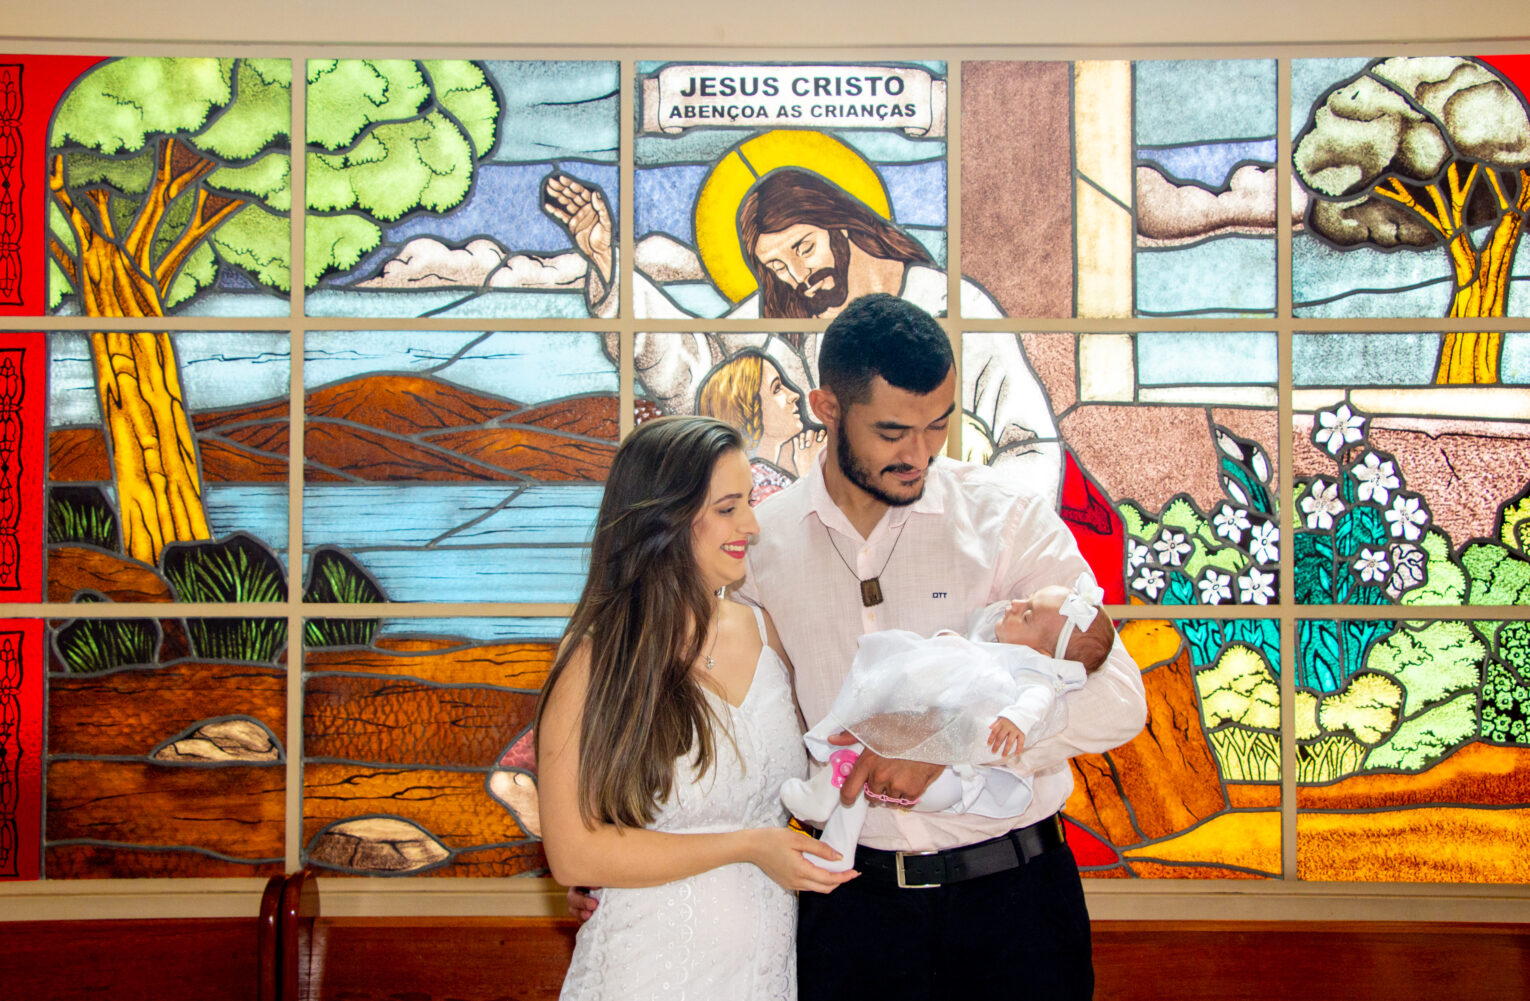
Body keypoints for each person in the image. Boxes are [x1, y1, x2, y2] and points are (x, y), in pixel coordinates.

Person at [570, 293, 1147, 1000]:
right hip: (850, 913)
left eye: (940, 424)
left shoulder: (1006, 517)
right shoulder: (758, 544)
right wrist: (622, 860)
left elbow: (1120, 697)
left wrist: (950, 744)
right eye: (894, 431)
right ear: (827, 406)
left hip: (1017, 900)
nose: (921, 453)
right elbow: (709, 722)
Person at [534, 415, 855, 1001]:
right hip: (644, 972)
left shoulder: (765, 631)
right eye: (729, 507)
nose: (751, 525)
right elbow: (573, 852)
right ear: (666, 517)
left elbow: (814, 779)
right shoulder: (599, 658)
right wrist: (749, 845)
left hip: (763, 972)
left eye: (749, 502)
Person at [542, 167, 1061, 502]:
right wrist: (607, 263)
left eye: (803, 247)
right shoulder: (782, 320)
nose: (795, 273)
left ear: (841, 224)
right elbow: (694, 368)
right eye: (775, 264)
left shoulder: (954, 308)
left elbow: (1029, 445)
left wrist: (977, 537)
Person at [779, 577, 1117, 872]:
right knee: (866, 760)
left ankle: (820, 795)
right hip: (934, 779)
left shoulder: (1032, 667)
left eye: (1026, 614)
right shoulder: (999, 652)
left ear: (1043, 652)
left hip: (950, 779)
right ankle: (837, 851)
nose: (1014, 604)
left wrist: (1017, 719)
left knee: (868, 747)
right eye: (1026, 600)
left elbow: (1039, 697)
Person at [696, 347, 826, 504]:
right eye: (777, 388)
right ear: (749, 409)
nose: (793, 395)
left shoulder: (767, 476)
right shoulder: (751, 486)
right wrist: (808, 474)